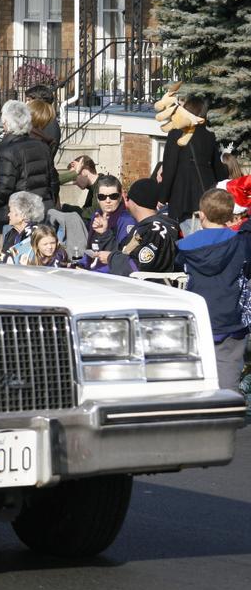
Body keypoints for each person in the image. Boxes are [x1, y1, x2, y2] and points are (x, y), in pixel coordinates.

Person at [175, 188, 251, 391]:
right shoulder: (242, 243)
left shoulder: (186, 246)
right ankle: (228, 416)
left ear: (201, 215)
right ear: (230, 215)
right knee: (228, 381)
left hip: (197, 318)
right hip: (231, 321)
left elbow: (179, 266)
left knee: (196, 378)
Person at [0, 100, 58, 230]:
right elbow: (53, 183)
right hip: (43, 212)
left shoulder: (8, 152)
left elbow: (1, 191)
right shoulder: (42, 147)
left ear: (5, 124)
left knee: (15, 249)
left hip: (18, 217)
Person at [158, 96, 228, 231]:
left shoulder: (177, 133)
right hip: (205, 197)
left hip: (183, 198)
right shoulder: (209, 136)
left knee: (191, 241)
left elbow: (170, 168)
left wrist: (162, 197)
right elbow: (218, 170)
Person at [94, 177, 180, 276]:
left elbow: (136, 267)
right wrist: (105, 234)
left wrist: (111, 258)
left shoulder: (154, 231)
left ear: (133, 201)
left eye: (128, 198)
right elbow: (123, 251)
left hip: (146, 289)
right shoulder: (144, 227)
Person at [81, 174, 133, 271]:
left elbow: (123, 255)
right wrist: (81, 264)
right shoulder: (96, 215)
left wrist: (105, 233)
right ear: (97, 198)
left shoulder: (126, 220)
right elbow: (92, 247)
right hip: (92, 270)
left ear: (120, 197)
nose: (107, 201)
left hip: (110, 275)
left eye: (113, 196)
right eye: (102, 197)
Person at [0, 191, 46, 263]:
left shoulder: (36, 234)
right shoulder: (11, 233)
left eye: (11, 211)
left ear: (23, 215)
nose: (8, 214)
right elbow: (2, 259)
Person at [25, 84, 60, 159]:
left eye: (28, 100)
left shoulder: (48, 124)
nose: (26, 104)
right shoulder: (43, 122)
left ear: (38, 102)